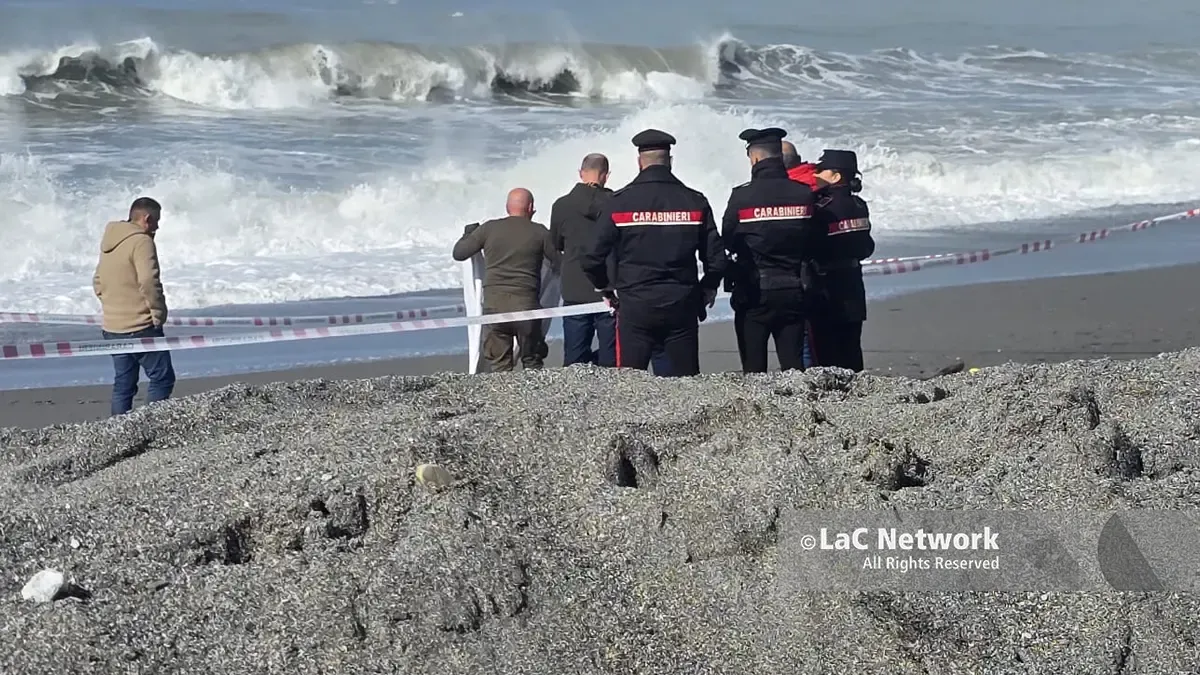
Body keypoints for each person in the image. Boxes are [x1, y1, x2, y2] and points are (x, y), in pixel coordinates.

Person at [580, 129, 727, 376]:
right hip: (681, 303)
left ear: (640, 162)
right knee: (686, 384)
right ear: (670, 161)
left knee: (631, 383)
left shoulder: (619, 202)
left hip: (635, 304)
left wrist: (605, 288)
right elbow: (717, 259)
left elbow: (591, 257)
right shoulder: (694, 201)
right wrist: (706, 290)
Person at [722, 127, 819, 373]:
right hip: (795, 289)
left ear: (755, 158)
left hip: (754, 291)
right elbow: (814, 240)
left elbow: (728, 241)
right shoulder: (803, 194)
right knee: (794, 367)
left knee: (754, 368)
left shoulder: (742, 196)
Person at [452, 188, 559, 372]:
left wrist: (468, 234)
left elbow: (459, 253)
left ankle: (503, 390)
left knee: (500, 367)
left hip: (495, 308)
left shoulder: (489, 229)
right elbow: (559, 263)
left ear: (507, 207)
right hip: (527, 308)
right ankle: (533, 390)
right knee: (532, 363)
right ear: (531, 207)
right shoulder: (540, 232)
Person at [92, 197, 176, 416]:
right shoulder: (142, 242)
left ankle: (117, 430)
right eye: (156, 221)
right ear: (146, 218)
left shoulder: (110, 241)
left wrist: (111, 304)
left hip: (112, 326)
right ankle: (150, 425)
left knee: (124, 383)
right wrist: (158, 313)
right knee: (162, 378)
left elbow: (97, 281)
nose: (157, 227)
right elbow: (148, 281)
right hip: (140, 325)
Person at [806, 149, 876, 372]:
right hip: (853, 284)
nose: (815, 174)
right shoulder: (859, 205)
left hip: (826, 287)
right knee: (852, 347)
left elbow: (811, 246)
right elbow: (867, 247)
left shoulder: (820, 208)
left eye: (821, 170)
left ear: (836, 176)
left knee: (826, 353)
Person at [550, 153, 619, 366]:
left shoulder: (561, 206)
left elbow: (556, 244)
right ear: (606, 176)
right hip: (609, 288)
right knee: (612, 359)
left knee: (575, 360)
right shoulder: (616, 203)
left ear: (581, 173)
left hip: (575, 287)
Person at [782, 139, 818, 367]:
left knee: (804, 338)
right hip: (823, 271)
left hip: (800, 273)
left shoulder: (794, 189)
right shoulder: (816, 179)